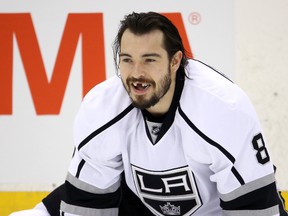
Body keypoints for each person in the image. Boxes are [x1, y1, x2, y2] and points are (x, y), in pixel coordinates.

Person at [10, 11, 287, 216]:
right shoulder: (102, 108)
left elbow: (254, 209)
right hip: (135, 204)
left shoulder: (222, 109)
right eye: (127, 60)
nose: (137, 73)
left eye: (150, 60)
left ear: (176, 61)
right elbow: (87, 206)